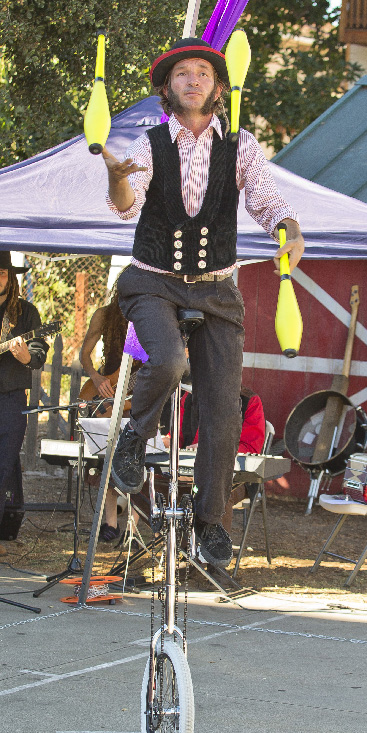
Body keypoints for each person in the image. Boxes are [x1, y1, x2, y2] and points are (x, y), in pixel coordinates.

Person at [102, 37, 304, 569]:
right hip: (153, 282)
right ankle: (133, 435)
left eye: (203, 73)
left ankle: (210, 520)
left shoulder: (240, 145)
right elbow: (127, 208)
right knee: (166, 359)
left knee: (222, 410)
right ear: (167, 88)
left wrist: (288, 227)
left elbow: (264, 195)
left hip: (216, 289)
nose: (193, 79)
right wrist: (115, 178)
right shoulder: (149, 145)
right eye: (183, 73)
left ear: (218, 87)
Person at [79, 280, 139, 542]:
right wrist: (95, 378)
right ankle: (110, 523)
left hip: (137, 395)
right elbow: (85, 355)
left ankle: (134, 523)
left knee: (138, 460)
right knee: (108, 460)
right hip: (107, 388)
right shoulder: (103, 315)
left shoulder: (146, 319)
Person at [0, 251, 49, 537]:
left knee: (4, 464)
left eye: (3, 273)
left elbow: (39, 351)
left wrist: (23, 356)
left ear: (11, 277)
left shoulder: (26, 312)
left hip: (11, 399)